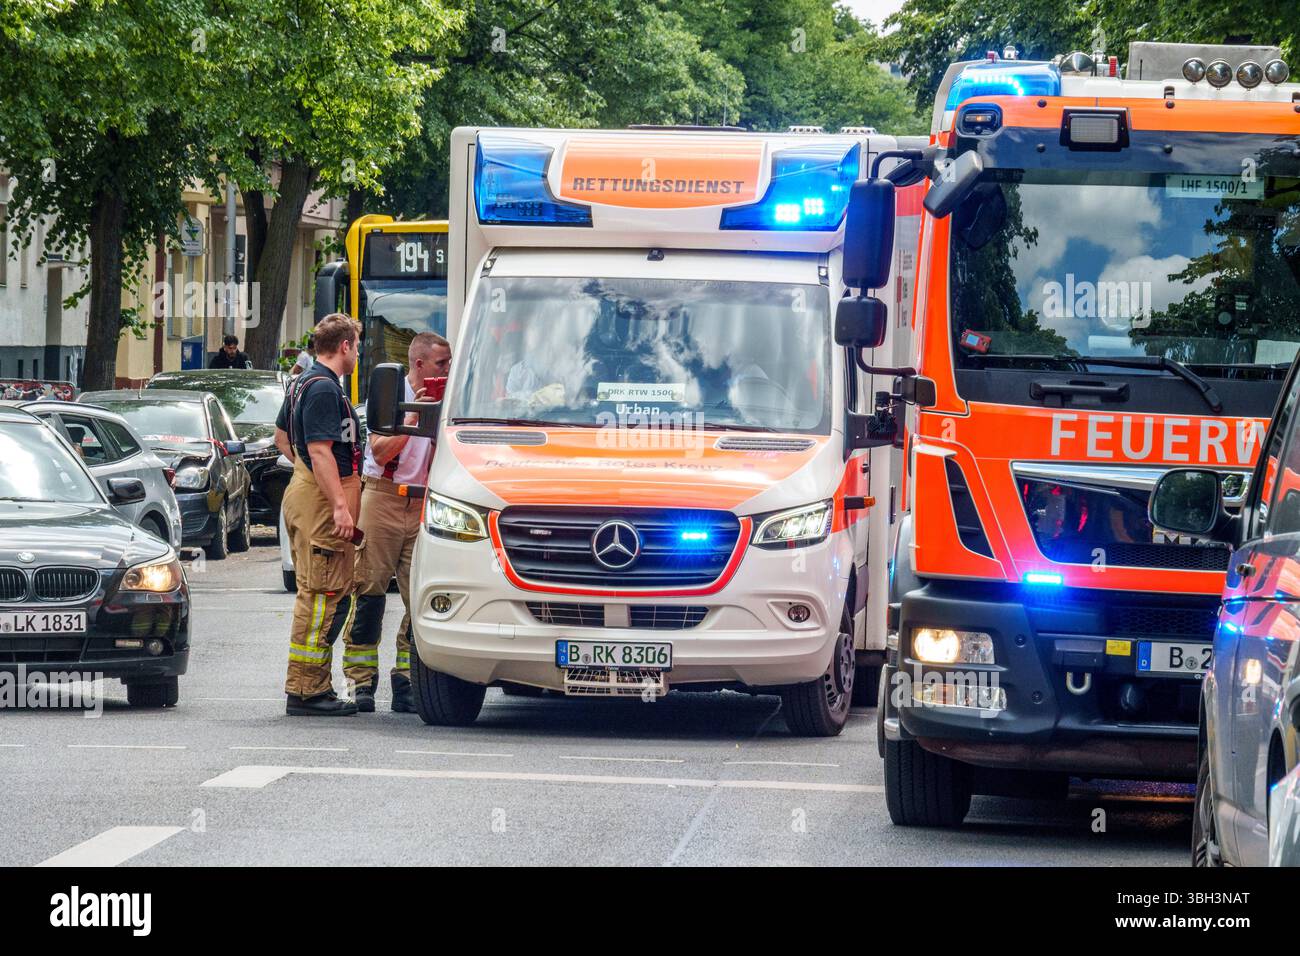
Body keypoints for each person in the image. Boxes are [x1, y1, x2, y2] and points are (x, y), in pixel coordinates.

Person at [343, 332, 450, 713]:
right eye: (441, 364)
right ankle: (361, 681)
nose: (447, 370)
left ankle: (406, 679)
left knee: (418, 597)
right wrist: (413, 418)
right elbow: (379, 450)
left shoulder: (449, 399)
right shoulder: (392, 395)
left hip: (423, 501)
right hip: (384, 496)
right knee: (369, 593)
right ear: (419, 364)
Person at [274, 314, 364, 716]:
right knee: (322, 594)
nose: (358, 354)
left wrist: (306, 474)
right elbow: (321, 450)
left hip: (307, 491)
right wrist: (339, 504)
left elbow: (282, 438)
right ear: (344, 346)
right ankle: (308, 690)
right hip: (321, 500)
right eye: (357, 346)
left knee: (319, 591)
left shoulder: (302, 383)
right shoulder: (325, 388)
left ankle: (309, 686)